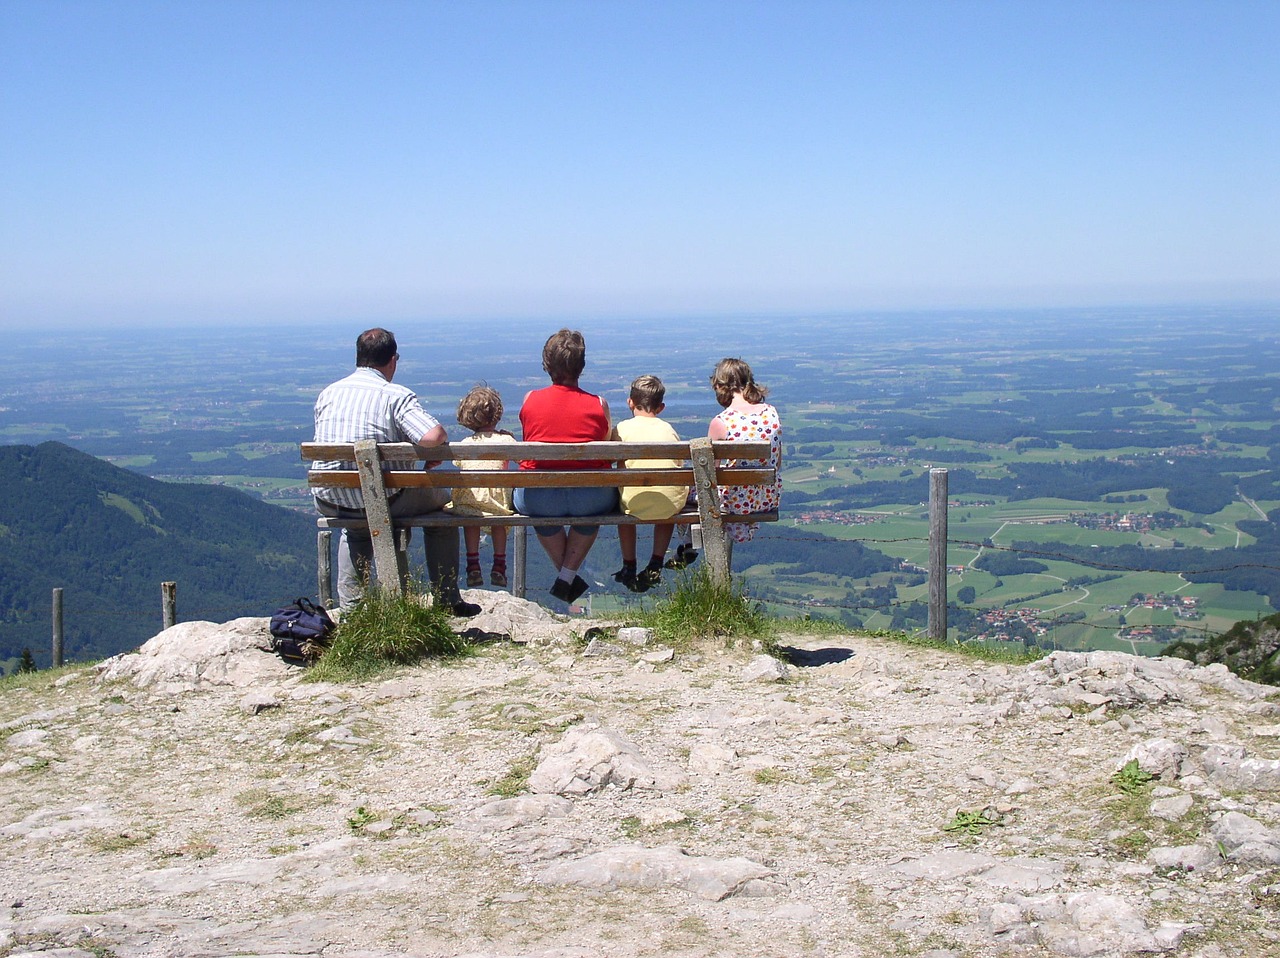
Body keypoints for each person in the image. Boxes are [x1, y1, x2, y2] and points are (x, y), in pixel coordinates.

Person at [312, 328, 480, 616]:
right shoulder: (395, 396)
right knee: (443, 512)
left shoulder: (329, 393)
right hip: (384, 498)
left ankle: (352, 611)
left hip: (330, 497)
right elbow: (433, 435)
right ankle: (447, 599)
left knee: (357, 528)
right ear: (392, 360)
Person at [515, 329, 615, 604]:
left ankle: (566, 576)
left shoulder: (530, 400)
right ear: (581, 366)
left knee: (542, 516)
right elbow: (604, 444)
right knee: (590, 517)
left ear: (547, 364)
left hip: (539, 496)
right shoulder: (598, 404)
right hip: (592, 497)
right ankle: (566, 576)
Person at [610, 375, 691, 593]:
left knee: (623, 508)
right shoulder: (668, 430)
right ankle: (656, 562)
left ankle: (629, 564)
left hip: (633, 504)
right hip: (669, 505)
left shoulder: (621, 429)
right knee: (667, 496)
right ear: (661, 407)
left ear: (630, 402)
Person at [707, 357, 782, 543]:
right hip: (767, 498)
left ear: (719, 386)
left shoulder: (721, 421)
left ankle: (688, 544)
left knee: (686, 491)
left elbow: (708, 475)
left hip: (735, 502)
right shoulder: (771, 413)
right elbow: (777, 462)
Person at [449, 384, 516, 589]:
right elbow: (524, 457)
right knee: (498, 522)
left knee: (471, 520)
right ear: (496, 414)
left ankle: (473, 565)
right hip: (497, 503)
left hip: (468, 501)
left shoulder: (465, 443)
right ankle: (499, 565)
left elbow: (457, 464)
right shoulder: (505, 440)